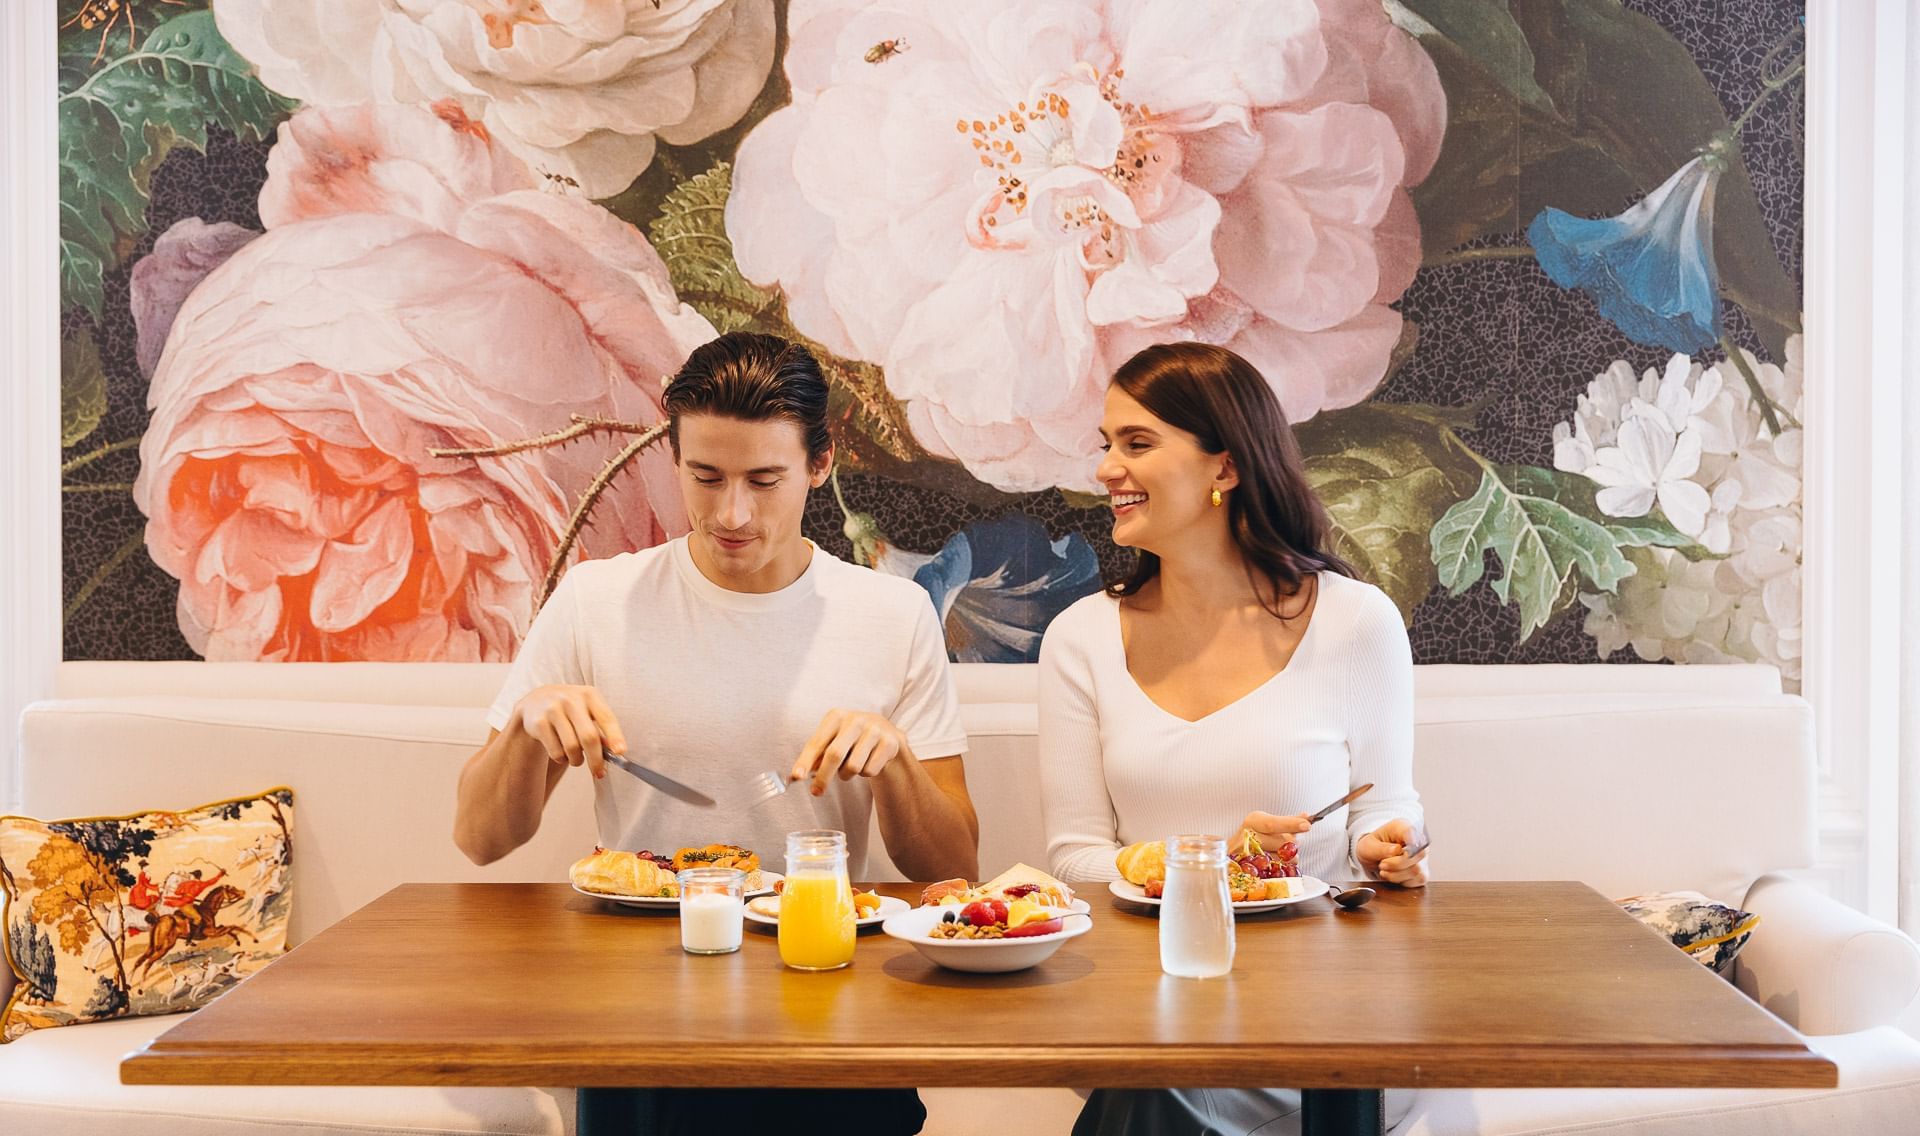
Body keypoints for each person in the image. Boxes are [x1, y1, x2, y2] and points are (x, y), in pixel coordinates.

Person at [454, 331, 980, 1135]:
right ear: (675, 459)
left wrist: (897, 764)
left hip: (827, 993)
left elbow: (954, 867)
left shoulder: (891, 613)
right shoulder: (597, 602)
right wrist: (527, 729)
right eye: (706, 477)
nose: (732, 514)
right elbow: (481, 838)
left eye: (765, 480)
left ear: (820, 462)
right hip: (639, 1007)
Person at [1038, 342, 1429, 1136]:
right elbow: (1074, 864)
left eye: (1137, 444)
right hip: (1144, 996)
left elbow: (1383, 814)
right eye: (1106, 444)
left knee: (1157, 1089)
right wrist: (1213, 861)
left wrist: (1394, 845)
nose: (1107, 468)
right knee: (1157, 1072)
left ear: (1224, 467)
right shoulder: (1079, 639)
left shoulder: (1355, 622)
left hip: (1313, 1000)